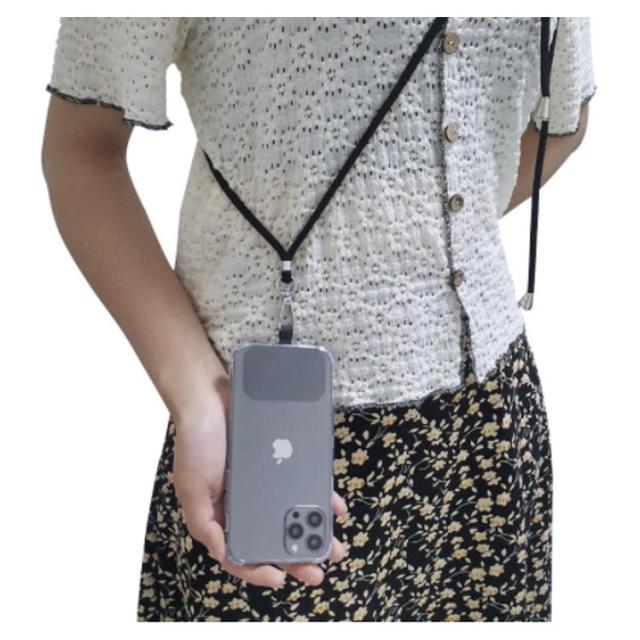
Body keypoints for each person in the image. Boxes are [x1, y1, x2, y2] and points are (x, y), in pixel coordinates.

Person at [41, 17, 595, 622]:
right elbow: (82, 150)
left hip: (488, 422)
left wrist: (416, 236)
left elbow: (563, 119)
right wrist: (197, 399)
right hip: (264, 431)